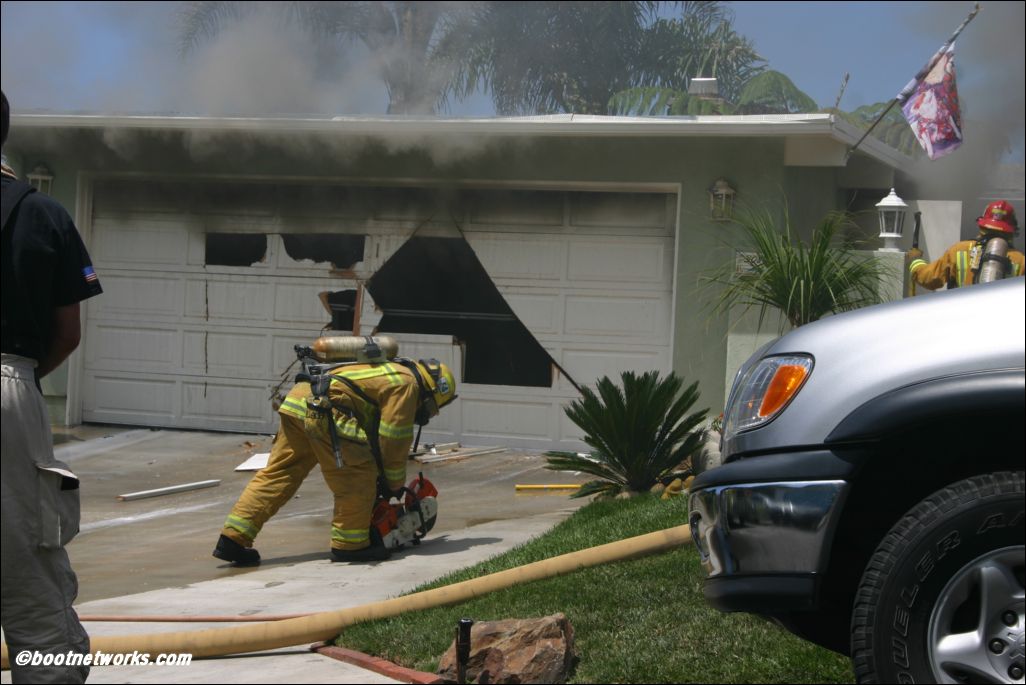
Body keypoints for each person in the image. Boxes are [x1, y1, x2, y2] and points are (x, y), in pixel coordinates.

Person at [2, 90, 103, 684]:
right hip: (11, 385)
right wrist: (21, 379)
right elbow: (68, 331)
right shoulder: (42, 214)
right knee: (26, 559)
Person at [213, 356, 456, 564]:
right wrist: (392, 484)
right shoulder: (408, 385)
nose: (426, 415)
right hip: (326, 409)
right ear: (432, 390)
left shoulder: (392, 369)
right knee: (357, 475)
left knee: (280, 473)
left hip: (300, 399)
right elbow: (393, 440)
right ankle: (350, 545)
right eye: (432, 409)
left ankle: (232, 539)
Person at [908, 200, 1024, 290]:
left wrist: (915, 261)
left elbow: (929, 279)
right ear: (1012, 231)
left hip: (962, 317)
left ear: (982, 225)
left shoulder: (959, 250)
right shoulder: (1020, 260)